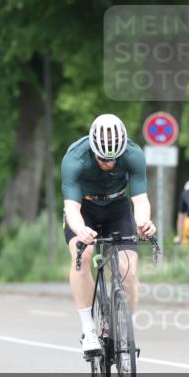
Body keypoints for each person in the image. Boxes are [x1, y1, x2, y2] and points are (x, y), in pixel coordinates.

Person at [61, 113, 156, 357]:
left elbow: (140, 199)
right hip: (84, 208)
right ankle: (89, 330)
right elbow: (71, 208)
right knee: (83, 255)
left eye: (114, 159)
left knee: (128, 271)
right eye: (103, 158)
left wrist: (143, 222)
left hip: (118, 207)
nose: (109, 163)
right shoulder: (74, 158)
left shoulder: (133, 155)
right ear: (94, 149)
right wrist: (81, 229)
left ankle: (125, 330)